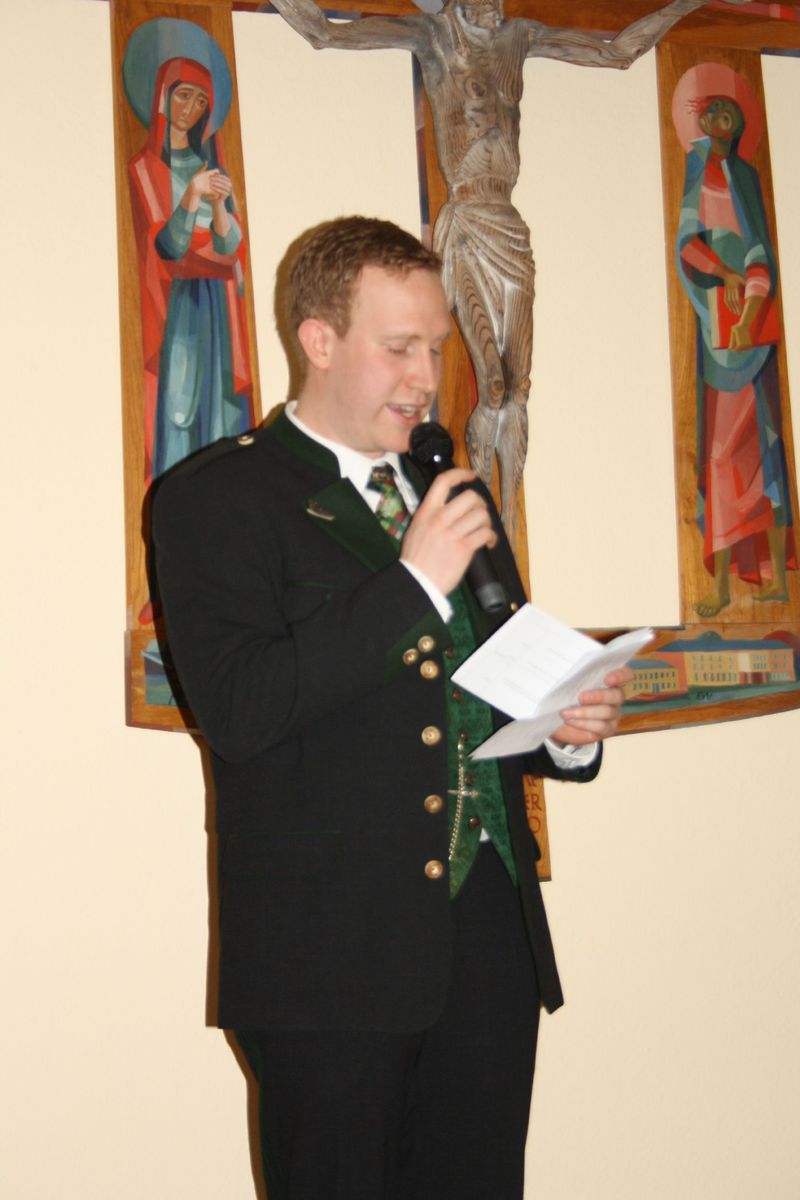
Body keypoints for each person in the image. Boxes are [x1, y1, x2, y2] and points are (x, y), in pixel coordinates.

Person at [153, 216, 631, 1200]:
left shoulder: (446, 489)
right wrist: (411, 583)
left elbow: (471, 695)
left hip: (487, 936)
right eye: (399, 347)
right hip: (326, 954)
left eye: (436, 349)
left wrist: (562, 727)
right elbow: (240, 710)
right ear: (318, 340)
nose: (425, 378)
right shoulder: (218, 498)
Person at [271, 0, 750, 532]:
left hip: (510, 224)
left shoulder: (518, 38)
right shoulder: (435, 37)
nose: (491, 6)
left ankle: (511, 520)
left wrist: (687, 4)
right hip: (468, 218)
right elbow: (326, 34)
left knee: (520, 387)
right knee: (493, 386)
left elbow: (618, 52)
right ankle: (480, 502)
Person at [675, 89, 795, 615]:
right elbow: (687, 244)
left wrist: (749, 312)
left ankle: (778, 581)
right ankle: (721, 585)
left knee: (767, 455)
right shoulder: (696, 169)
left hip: (752, 333)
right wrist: (723, 275)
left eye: (730, 111)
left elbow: (760, 251)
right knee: (720, 459)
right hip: (714, 331)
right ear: (703, 122)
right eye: (713, 111)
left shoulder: (746, 177)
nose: (721, 117)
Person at [128, 55, 254, 486]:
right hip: (178, 305)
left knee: (221, 407)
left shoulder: (213, 169)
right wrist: (191, 197)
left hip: (218, 305)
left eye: (201, 101)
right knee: (180, 404)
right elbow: (168, 247)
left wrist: (217, 203)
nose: (191, 108)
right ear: (163, 98)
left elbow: (230, 247)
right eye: (183, 95)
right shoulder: (145, 167)